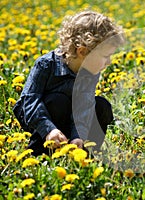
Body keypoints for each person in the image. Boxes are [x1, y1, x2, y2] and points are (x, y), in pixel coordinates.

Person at [13, 10, 125, 156]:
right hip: (39, 120)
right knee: (59, 100)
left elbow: (84, 106)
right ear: (82, 51)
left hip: (71, 117)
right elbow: (30, 101)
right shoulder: (46, 65)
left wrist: (78, 135)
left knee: (101, 106)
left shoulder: (91, 73)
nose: (109, 62)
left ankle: (87, 153)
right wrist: (48, 129)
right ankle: (39, 153)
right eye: (106, 56)